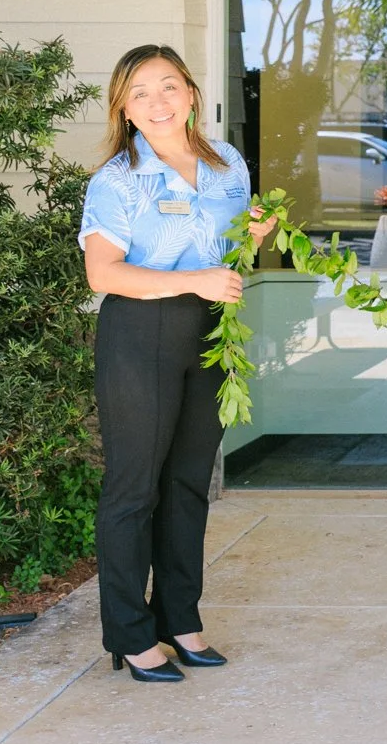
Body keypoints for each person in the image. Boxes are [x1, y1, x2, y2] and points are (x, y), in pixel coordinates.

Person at [79, 45, 275, 682]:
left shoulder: (227, 166)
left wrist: (255, 237)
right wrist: (193, 280)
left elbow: (227, 253)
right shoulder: (117, 180)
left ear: (191, 93)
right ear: (124, 108)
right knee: (134, 487)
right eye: (140, 93)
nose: (158, 102)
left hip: (213, 331)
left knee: (188, 481)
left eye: (168, 87)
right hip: (141, 331)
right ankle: (131, 636)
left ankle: (179, 620)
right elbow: (101, 272)